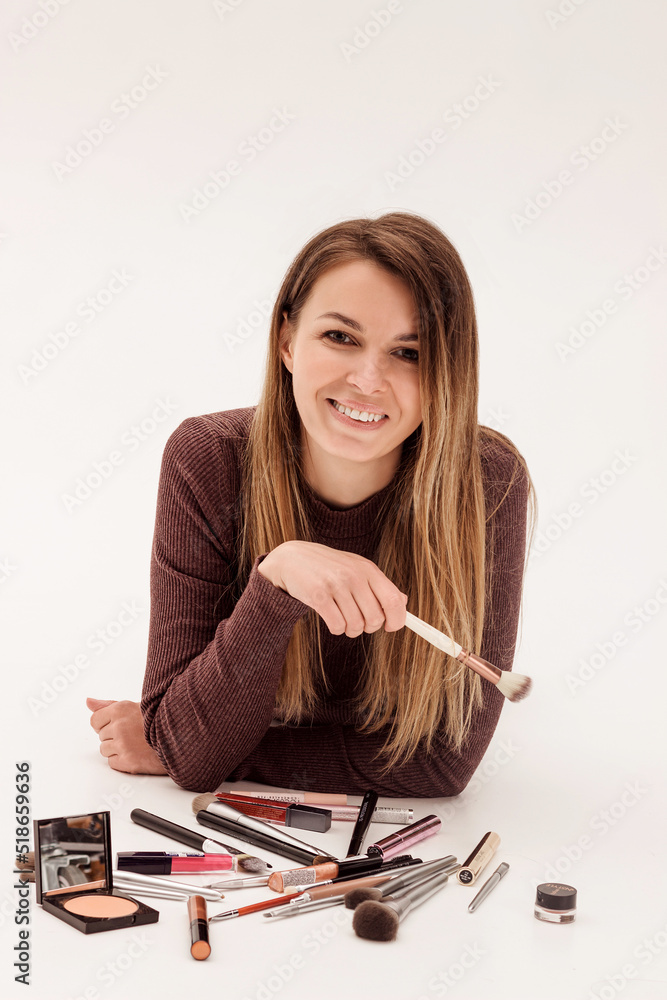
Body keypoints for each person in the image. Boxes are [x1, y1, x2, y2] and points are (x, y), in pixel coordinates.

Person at [88, 211, 535, 796]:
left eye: (410, 353)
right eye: (341, 337)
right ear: (286, 341)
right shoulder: (208, 461)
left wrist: (188, 741)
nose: (369, 381)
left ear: (447, 372)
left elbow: (442, 764)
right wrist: (275, 585)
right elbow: (191, 756)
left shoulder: (488, 484)